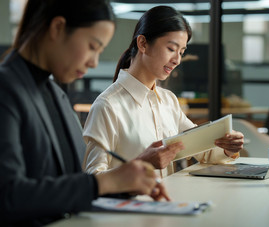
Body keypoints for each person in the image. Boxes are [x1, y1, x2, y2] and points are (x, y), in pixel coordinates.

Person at [0, 1, 169, 226]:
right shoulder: (6, 89)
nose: (94, 62)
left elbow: (70, 188)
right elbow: (7, 196)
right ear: (58, 27)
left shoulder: (56, 96)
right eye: (92, 46)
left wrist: (126, 185)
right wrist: (105, 183)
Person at [83, 6, 244, 177]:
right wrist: (141, 164)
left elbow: (203, 151)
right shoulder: (108, 106)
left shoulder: (168, 101)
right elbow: (92, 178)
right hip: (132, 203)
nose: (177, 60)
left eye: (181, 52)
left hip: (168, 201)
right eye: (171, 49)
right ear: (143, 44)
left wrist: (228, 148)